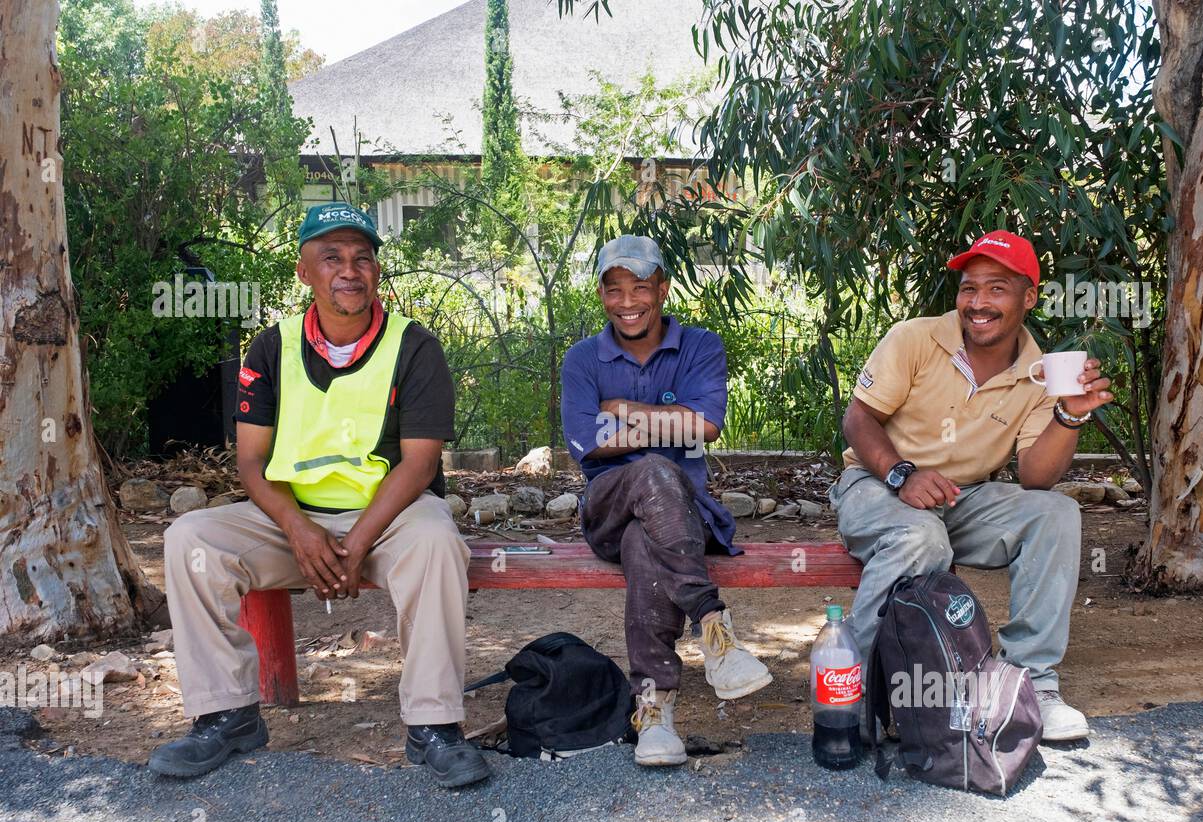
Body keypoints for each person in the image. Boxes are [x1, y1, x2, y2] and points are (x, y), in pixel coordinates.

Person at [149, 202, 489, 786]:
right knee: (189, 538)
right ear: (305, 271)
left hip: (388, 520)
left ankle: (434, 726)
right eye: (331, 257)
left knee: (436, 540)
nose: (348, 270)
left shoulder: (414, 347)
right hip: (293, 521)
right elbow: (251, 464)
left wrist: (356, 542)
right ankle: (226, 714)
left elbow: (419, 464)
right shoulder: (269, 349)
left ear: (377, 272)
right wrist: (300, 530)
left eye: (362, 257)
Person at [832, 230, 1113, 741]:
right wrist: (903, 474)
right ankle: (854, 686)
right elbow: (858, 419)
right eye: (969, 288)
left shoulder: (1039, 373)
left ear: (1029, 297)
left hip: (963, 498)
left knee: (1057, 514)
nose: (978, 302)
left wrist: (1068, 417)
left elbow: (1035, 477)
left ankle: (1032, 683)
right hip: (877, 484)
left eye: (996, 289)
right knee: (920, 536)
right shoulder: (915, 338)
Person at [560, 235, 772, 767]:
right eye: (614, 290)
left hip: (685, 515)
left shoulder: (700, 346)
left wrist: (625, 410)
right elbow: (586, 442)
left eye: (640, 287)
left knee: (643, 539)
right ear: (603, 295)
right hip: (607, 504)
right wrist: (665, 429)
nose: (627, 301)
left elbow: (706, 426)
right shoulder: (583, 359)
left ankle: (654, 710)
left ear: (663, 288)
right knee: (654, 471)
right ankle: (714, 628)